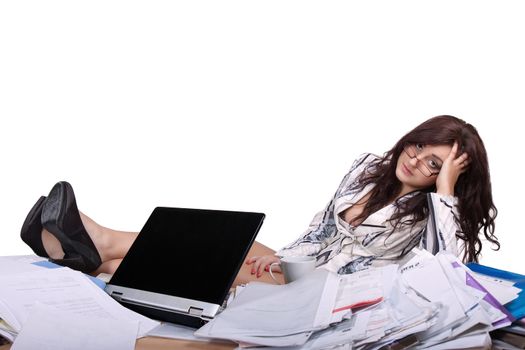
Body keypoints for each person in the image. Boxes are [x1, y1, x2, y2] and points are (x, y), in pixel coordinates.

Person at [20, 115, 499, 286]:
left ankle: (96, 246)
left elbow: (449, 275)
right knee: (226, 240)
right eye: (420, 147)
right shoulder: (368, 167)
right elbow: (318, 231)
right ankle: (96, 254)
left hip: (327, 291)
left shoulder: (430, 216)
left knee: (217, 261)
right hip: (296, 264)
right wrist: (279, 262)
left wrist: (446, 192)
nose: (417, 161)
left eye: (436, 164)